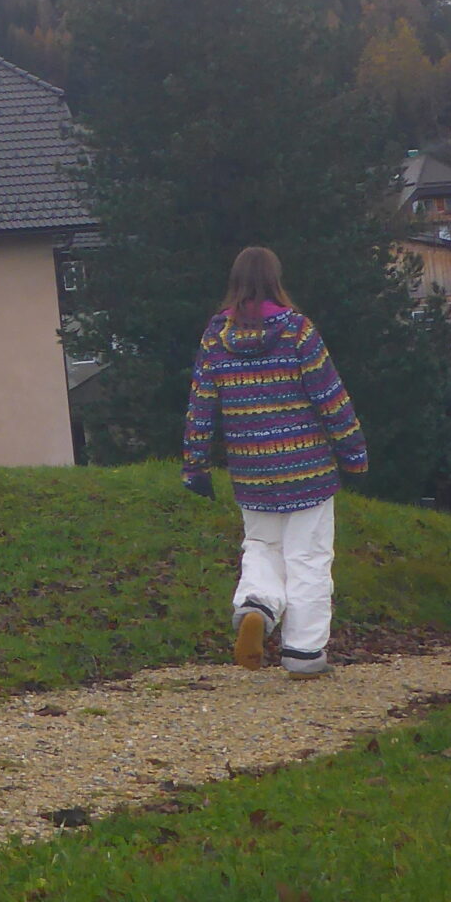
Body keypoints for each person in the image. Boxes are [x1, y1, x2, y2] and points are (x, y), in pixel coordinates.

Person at [182, 245, 367, 678]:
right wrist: (354, 454)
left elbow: (201, 404)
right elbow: (330, 397)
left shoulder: (215, 335)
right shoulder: (298, 330)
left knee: (262, 545)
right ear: (275, 279)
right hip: (307, 469)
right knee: (309, 557)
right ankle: (303, 652)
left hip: (251, 472)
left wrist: (195, 465)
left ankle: (257, 606)